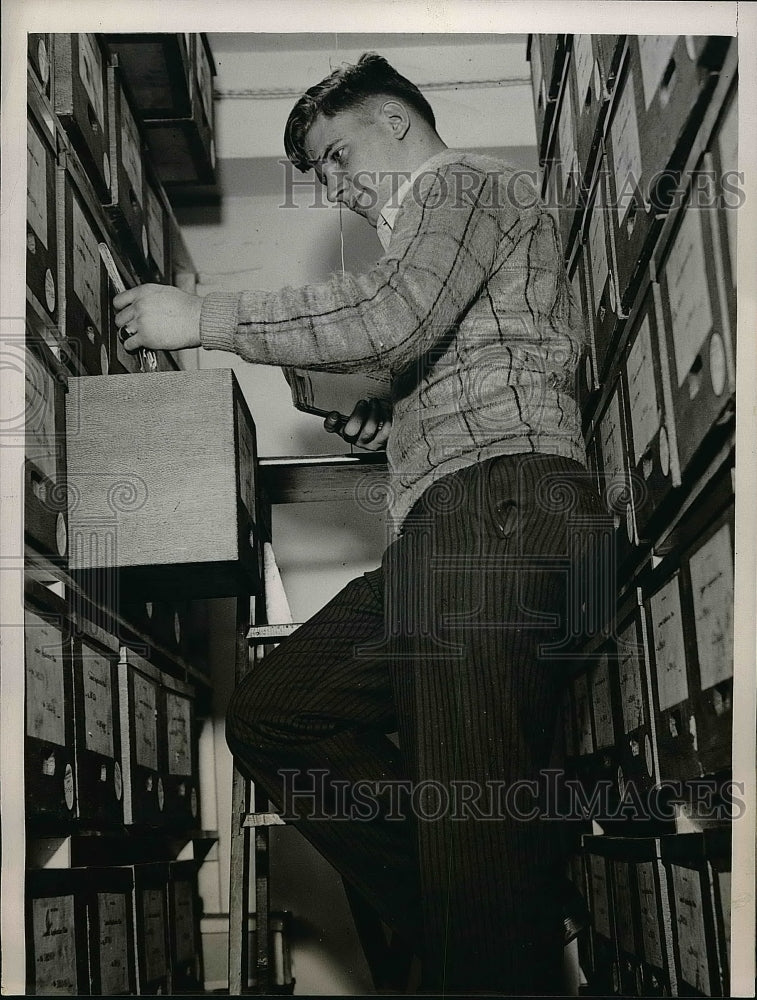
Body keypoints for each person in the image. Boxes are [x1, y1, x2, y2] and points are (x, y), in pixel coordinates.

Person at [114, 52, 607, 995]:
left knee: (475, 850)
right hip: (462, 520)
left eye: (337, 154)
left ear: (395, 121)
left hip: (493, 518)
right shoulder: (453, 225)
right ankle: (497, 904)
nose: (334, 185)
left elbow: (391, 318)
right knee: (277, 713)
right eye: (318, 172)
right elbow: (462, 351)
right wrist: (390, 418)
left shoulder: (463, 183)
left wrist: (202, 315)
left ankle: (492, 912)